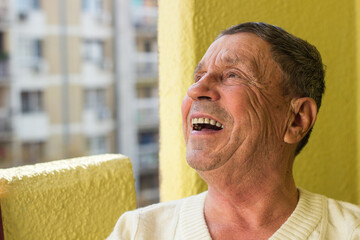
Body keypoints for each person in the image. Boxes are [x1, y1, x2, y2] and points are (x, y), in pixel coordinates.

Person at [107, 22, 360, 239]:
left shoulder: (351, 231)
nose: (195, 91)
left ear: (296, 119)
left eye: (232, 75)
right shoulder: (138, 232)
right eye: (198, 76)